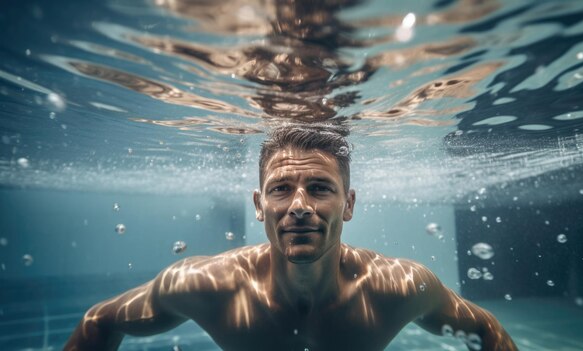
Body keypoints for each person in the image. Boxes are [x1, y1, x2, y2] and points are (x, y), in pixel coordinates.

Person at [65, 124, 518, 351]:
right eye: (281, 189)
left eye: (319, 188)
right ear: (260, 204)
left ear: (349, 203)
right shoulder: (205, 286)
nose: (299, 205)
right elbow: (100, 321)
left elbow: (486, 328)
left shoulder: (397, 288)